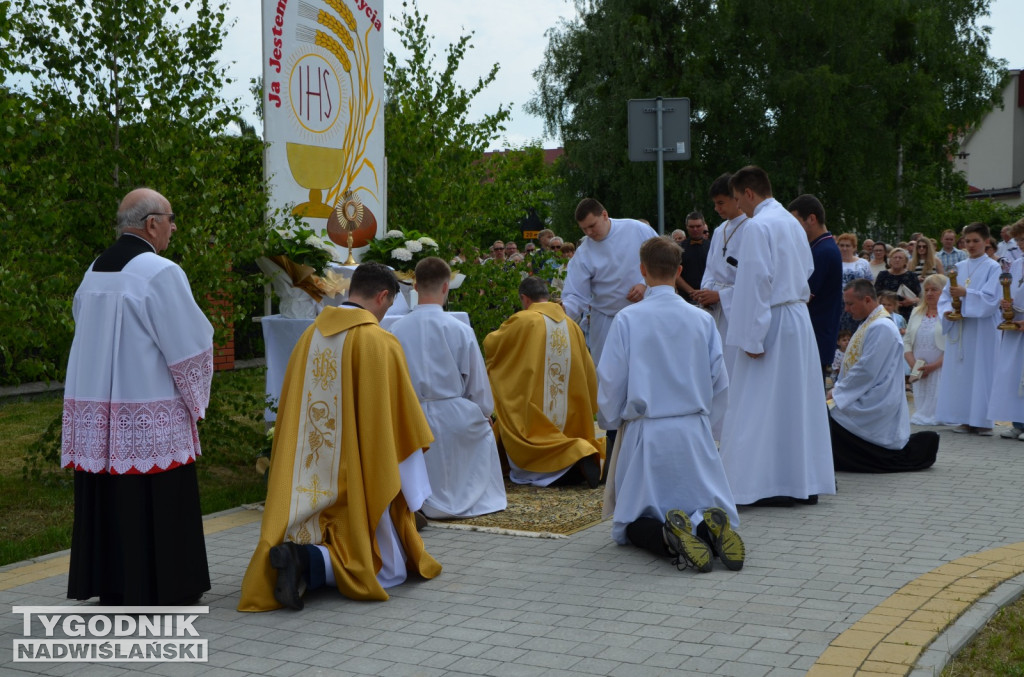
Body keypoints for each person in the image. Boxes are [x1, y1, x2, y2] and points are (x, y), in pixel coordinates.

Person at [239, 263, 441, 611]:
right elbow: (400, 425)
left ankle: (299, 555)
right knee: (387, 566)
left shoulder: (309, 336)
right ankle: (308, 562)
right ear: (382, 297)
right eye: (388, 306)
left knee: (321, 526)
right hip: (357, 481)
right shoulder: (379, 341)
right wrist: (412, 492)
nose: (385, 314)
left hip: (304, 486)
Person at [62, 187, 213, 606]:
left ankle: (114, 584)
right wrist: (196, 398)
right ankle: (163, 586)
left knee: (109, 497)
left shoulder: (95, 269)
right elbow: (191, 345)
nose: (173, 226)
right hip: (149, 406)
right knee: (155, 498)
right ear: (151, 224)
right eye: (170, 218)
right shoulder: (161, 272)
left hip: (99, 406)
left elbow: (82, 325)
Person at [598, 236, 743, 572]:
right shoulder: (701, 319)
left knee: (633, 520)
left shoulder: (628, 319)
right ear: (679, 270)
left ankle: (668, 537)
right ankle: (708, 529)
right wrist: (707, 423)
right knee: (700, 502)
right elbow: (720, 381)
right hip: (693, 430)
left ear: (642, 271)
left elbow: (610, 380)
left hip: (648, 432)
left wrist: (613, 418)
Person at [718, 166, 835, 507]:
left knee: (756, 404)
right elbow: (807, 270)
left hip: (771, 319)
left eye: (738, 199)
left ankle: (758, 485)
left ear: (749, 194)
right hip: (796, 317)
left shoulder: (758, 226)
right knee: (796, 404)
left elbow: (755, 283)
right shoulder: (791, 223)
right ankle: (802, 482)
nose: (740, 206)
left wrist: (751, 339)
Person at [390, 257, 507, 519]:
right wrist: (484, 412)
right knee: (482, 424)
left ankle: (420, 501)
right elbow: (477, 385)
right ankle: (470, 497)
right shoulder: (459, 329)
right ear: (446, 288)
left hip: (412, 417)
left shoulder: (395, 330)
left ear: (415, 286)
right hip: (454, 413)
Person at [484, 276, 605, 488]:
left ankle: (573, 456)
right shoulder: (571, 324)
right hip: (570, 405)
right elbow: (587, 365)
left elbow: (492, 346)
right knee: (562, 428)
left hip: (536, 401)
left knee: (529, 435)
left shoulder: (523, 320)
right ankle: (579, 458)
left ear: (524, 298)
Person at [827, 280, 939, 472]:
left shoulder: (881, 327)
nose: (846, 309)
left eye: (850, 304)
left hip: (876, 399)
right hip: (865, 392)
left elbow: (867, 370)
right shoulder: (871, 323)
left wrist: (837, 392)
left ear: (868, 299)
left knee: (829, 415)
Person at [562, 199, 658, 366]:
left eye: (592, 226)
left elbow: (662, 259)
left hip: (644, 314)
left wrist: (645, 283)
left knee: (645, 368)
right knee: (606, 373)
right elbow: (576, 296)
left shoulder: (636, 229)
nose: (589, 232)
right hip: (606, 319)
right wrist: (558, 312)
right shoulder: (584, 253)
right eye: (584, 229)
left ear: (604, 215)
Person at [935, 222, 1001, 436]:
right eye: (968, 241)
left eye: (976, 241)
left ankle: (982, 420)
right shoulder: (960, 267)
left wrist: (966, 293)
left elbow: (992, 299)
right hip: (961, 326)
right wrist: (947, 311)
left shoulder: (994, 267)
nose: (971, 245)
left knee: (981, 371)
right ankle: (964, 418)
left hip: (982, 329)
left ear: (986, 242)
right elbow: (945, 295)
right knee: (962, 372)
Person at [694, 174, 750, 378]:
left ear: (736, 199)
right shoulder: (719, 231)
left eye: (721, 203)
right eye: (715, 204)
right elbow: (710, 267)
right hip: (716, 309)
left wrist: (721, 296)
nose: (717, 209)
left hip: (735, 308)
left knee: (734, 365)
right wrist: (707, 291)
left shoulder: (752, 228)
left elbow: (753, 279)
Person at [789, 194, 843, 377]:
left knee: (813, 399)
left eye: (795, 221)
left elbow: (802, 296)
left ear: (811, 218)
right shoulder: (819, 247)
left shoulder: (823, 251)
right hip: (816, 334)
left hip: (815, 336)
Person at [991, 219, 1024, 440]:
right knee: (1014, 375)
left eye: (1023, 239)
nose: (1020, 244)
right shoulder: (1018, 264)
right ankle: (1018, 422)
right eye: (1019, 239)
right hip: (1016, 326)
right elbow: (1010, 291)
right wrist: (1006, 305)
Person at [905, 274, 948, 425]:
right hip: (919, 368)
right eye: (927, 289)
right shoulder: (916, 312)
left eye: (934, 289)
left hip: (940, 367)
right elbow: (907, 341)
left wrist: (934, 366)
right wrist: (913, 365)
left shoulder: (948, 314)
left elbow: (952, 345)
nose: (929, 293)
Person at [836, 233, 873, 334]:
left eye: (848, 246)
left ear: (854, 247)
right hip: (838, 303)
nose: (844, 248)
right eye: (842, 245)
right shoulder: (834, 262)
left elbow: (869, 282)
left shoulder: (863, 263)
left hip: (859, 302)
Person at [874, 248, 920, 322]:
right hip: (886, 312)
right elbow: (876, 294)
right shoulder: (883, 275)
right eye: (895, 257)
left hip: (906, 312)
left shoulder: (912, 276)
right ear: (890, 260)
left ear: (905, 261)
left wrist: (911, 301)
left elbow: (918, 298)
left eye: (900, 258)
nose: (897, 260)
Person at [675, 211, 710, 304]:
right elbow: (675, 273)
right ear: (686, 227)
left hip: (708, 296)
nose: (695, 229)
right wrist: (692, 291)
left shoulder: (712, 246)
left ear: (704, 225)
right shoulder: (678, 248)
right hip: (685, 298)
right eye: (691, 226)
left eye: (698, 226)